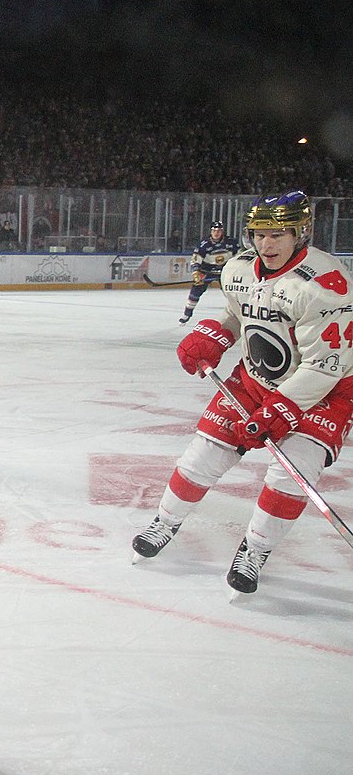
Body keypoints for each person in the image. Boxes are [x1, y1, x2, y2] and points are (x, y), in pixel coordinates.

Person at [132, 191, 353, 594]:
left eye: (278, 235)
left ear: (301, 233)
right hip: (254, 380)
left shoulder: (326, 284)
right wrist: (214, 336)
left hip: (326, 390)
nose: (266, 245)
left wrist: (280, 409)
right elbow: (238, 313)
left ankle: (256, 548)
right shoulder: (238, 269)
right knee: (202, 456)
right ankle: (165, 522)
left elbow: (326, 364)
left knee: (291, 476)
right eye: (259, 235)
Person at [178, 220, 241, 323]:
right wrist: (196, 272)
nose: (216, 233)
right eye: (214, 230)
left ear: (222, 231)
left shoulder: (231, 242)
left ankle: (240, 314)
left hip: (225, 271)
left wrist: (235, 270)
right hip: (206, 270)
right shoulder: (204, 244)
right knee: (195, 293)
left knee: (233, 293)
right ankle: (187, 314)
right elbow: (196, 259)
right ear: (211, 231)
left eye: (219, 230)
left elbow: (239, 256)